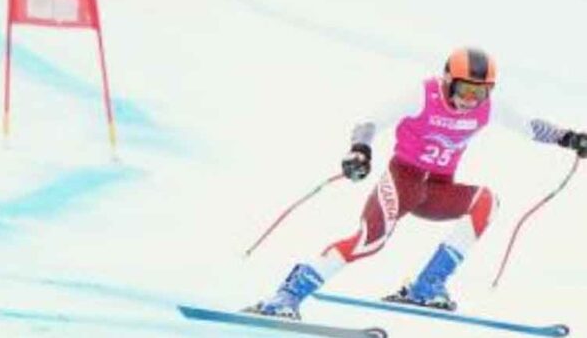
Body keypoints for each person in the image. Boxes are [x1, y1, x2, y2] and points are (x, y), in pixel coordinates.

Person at [246, 47, 587, 320]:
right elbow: (371, 121)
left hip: (437, 189)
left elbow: (530, 127)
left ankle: (427, 285)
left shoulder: (487, 108)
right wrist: (360, 150)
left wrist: (569, 138)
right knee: (369, 242)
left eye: (481, 92)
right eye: (465, 89)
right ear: (448, 80)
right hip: (403, 181)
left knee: (487, 201)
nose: (471, 99)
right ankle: (286, 295)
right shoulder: (424, 95)